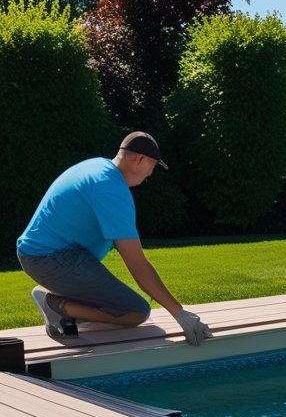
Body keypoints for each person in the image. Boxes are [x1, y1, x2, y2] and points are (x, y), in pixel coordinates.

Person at [17, 131, 212, 345]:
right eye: (153, 166)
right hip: (50, 260)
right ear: (139, 159)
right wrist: (180, 313)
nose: (151, 174)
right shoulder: (111, 190)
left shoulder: (98, 167)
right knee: (135, 311)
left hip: (49, 255)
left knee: (124, 304)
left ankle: (58, 298)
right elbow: (137, 264)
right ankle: (55, 304)